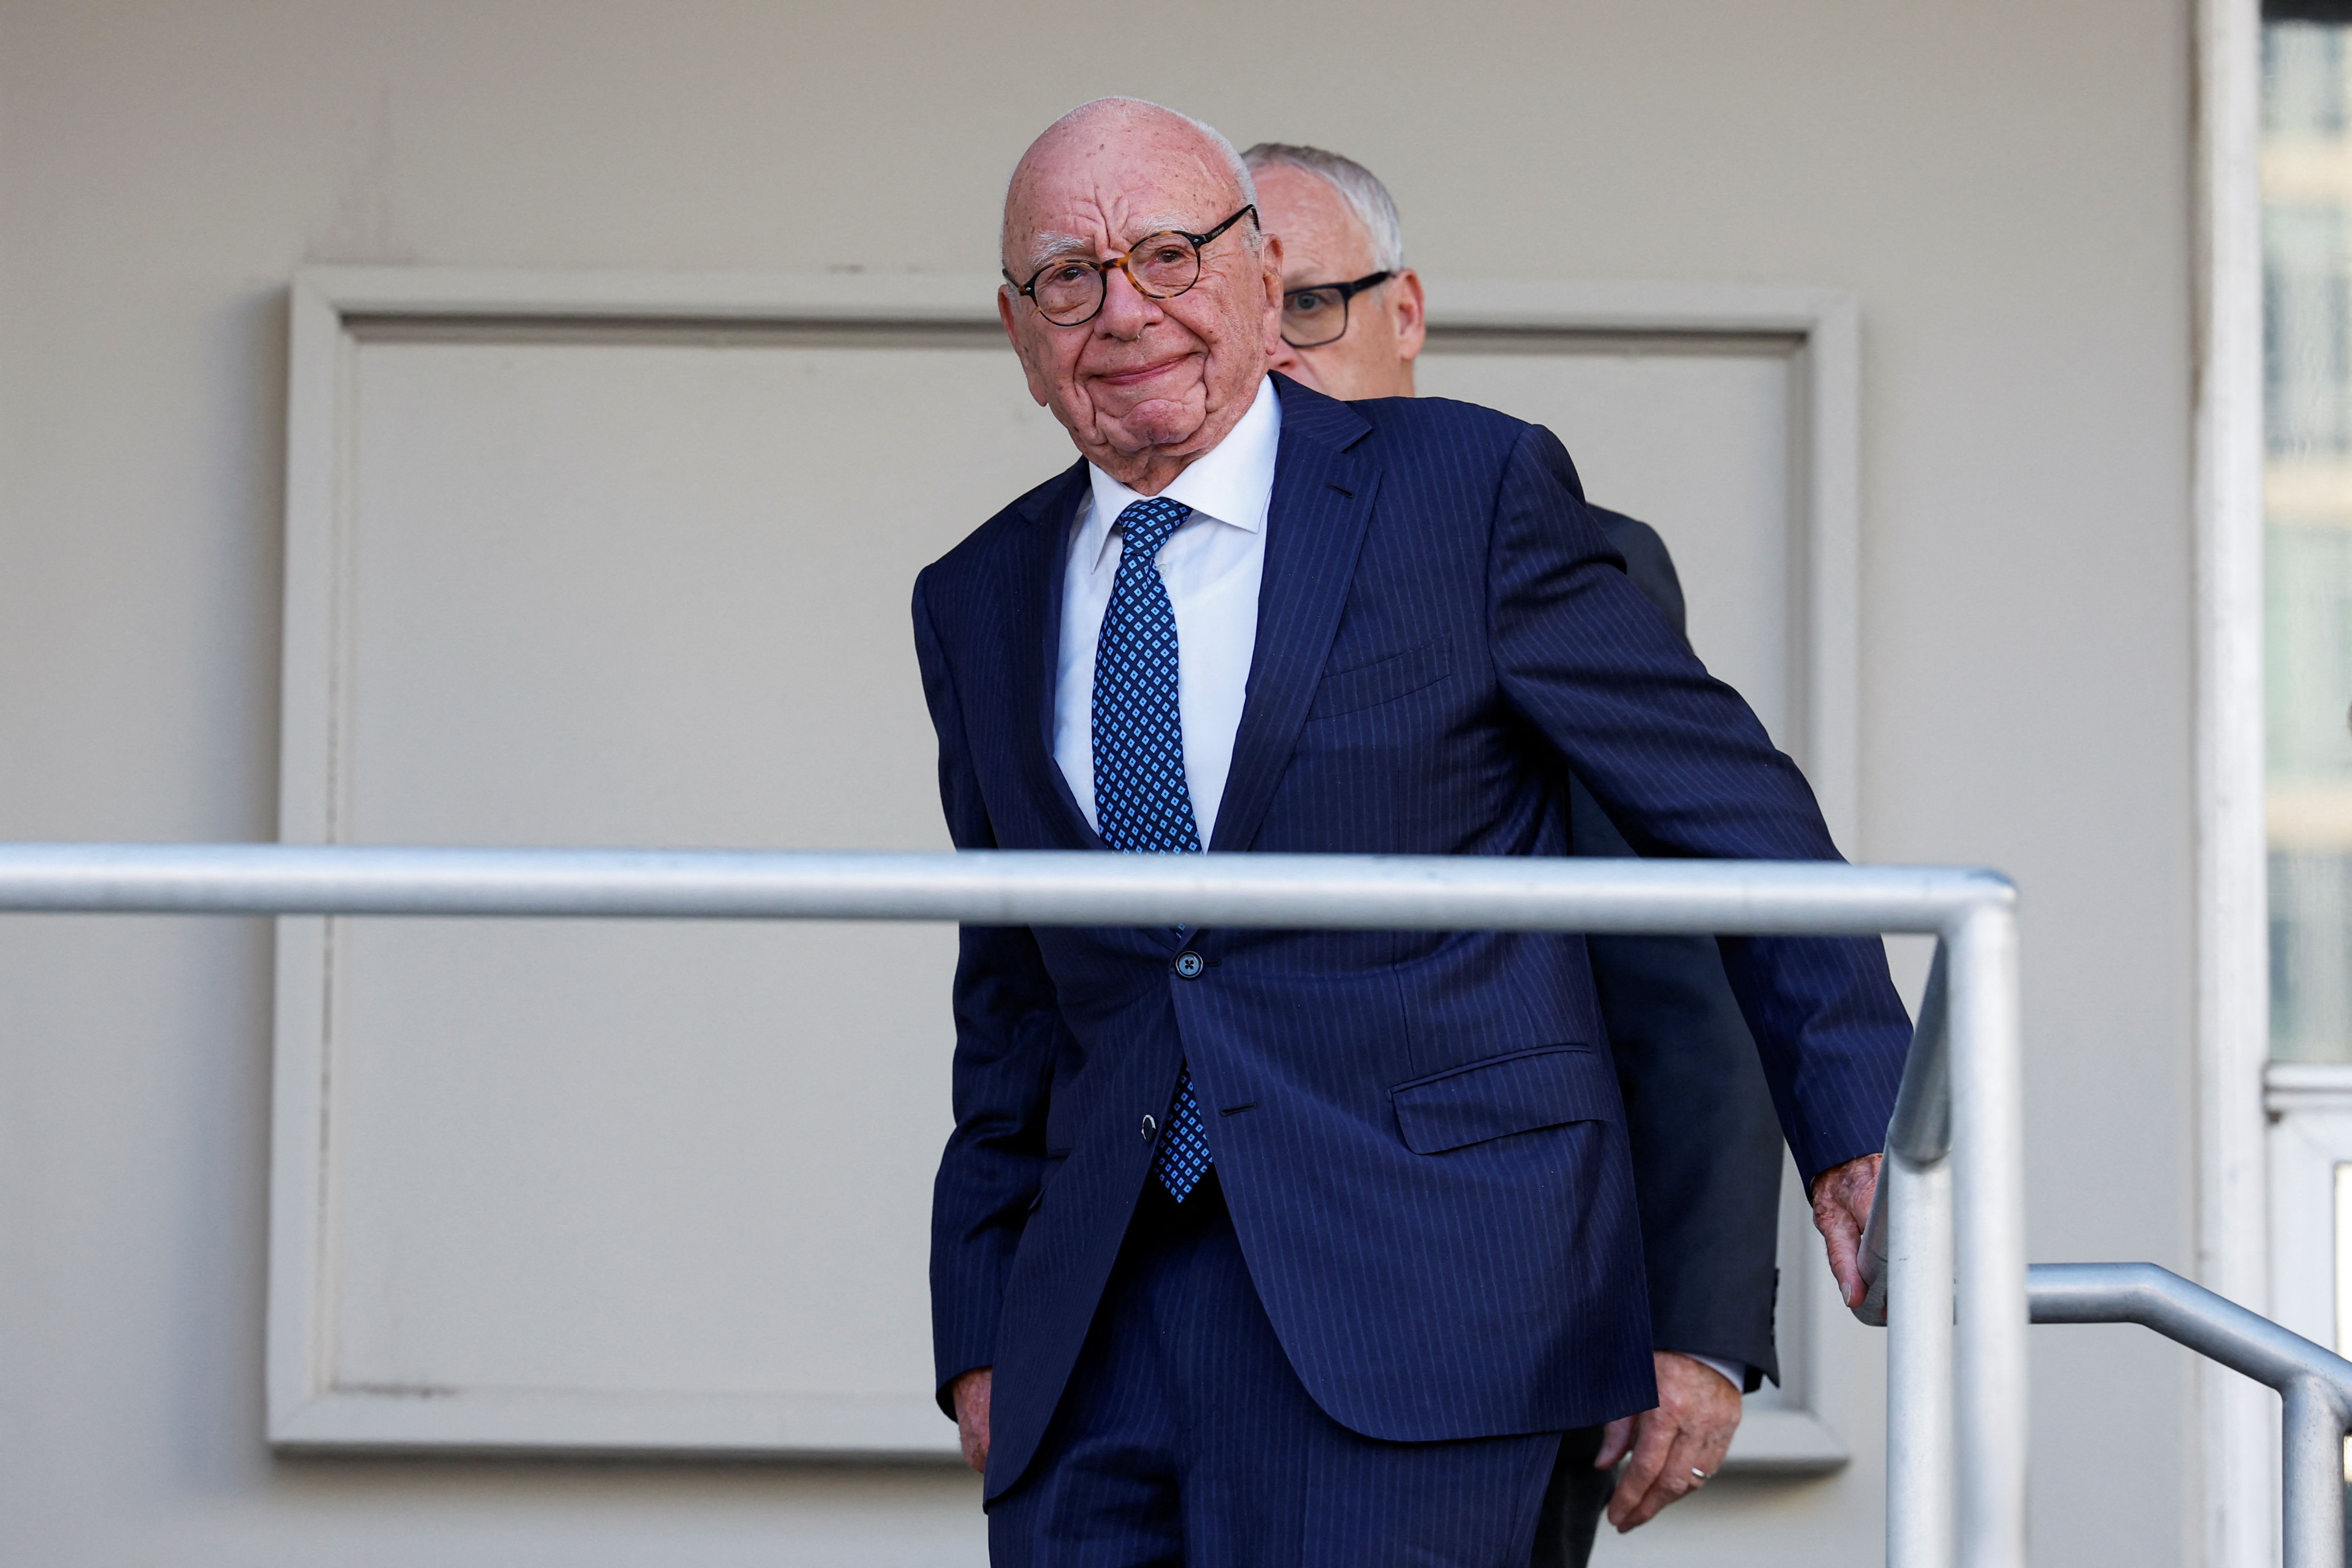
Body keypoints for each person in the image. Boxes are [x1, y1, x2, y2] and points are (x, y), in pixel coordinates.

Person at [915, 97, 1902, 1568]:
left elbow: (1733, 816)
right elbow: (1010, 985)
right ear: (1016, 328)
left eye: (1170, 257)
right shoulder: (976, 591)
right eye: (1070, 276)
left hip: (1421, 1299)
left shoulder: (1464, 490)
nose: (1125, 311)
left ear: (1258, 276)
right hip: (1095, 1325)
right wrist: (982, 1318)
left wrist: (1857, 1126)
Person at [1244, 141, 1788, 1563]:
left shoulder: (1546, 557)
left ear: (1404, 311)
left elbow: (1676, 955)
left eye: (1310, 306)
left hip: (1485, 1325)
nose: (1273, 352)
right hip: (1193, 1329)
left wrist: (1695, 1325)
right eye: (1238, 317)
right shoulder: (1136, 590)